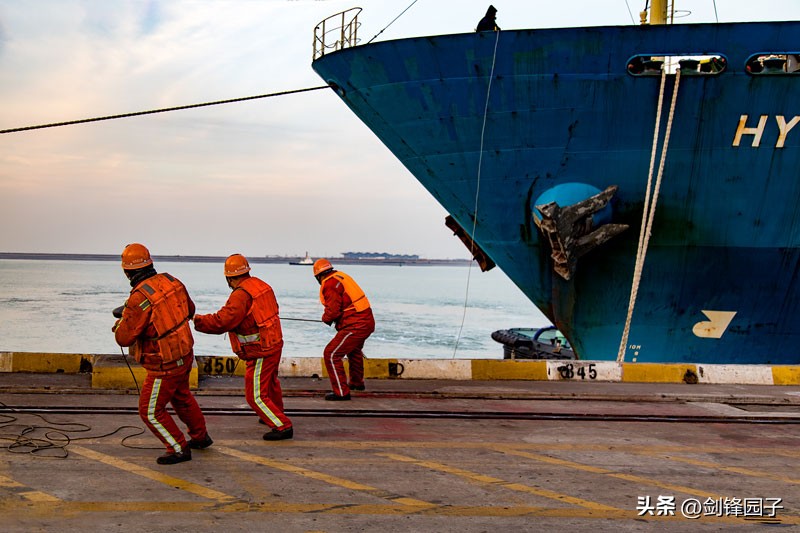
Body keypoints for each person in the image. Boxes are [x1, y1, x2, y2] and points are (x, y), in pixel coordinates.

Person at [112, 243, 212, 465]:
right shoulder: (171, 281)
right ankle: (200, 436)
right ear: (150, 263)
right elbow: (190, 310)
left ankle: (178, 448)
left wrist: (122, 321)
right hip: (185, 353)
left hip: (164, 363)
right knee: (182, 397)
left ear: (127, 271)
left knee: (150, 411)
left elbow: (124, 338)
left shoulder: (139, 298)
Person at [193, 254, 293, 441]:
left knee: (255, 396)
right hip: (274, 343)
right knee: (270, 384)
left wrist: (198, 321)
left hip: (260, 350)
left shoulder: (240, 294)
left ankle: (282, 425)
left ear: (229, 278)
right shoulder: (261, 285)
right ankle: (273, 414)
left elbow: (222, 321)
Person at [313, 259, 375, 401]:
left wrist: (326, 318)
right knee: (354, 351)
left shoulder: (330, 284)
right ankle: (356, 383)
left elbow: (333, 311)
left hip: (356, 325)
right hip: (365, 321)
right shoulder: (341, 276)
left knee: (331, 354)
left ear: (318, 276)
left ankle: (341, 392)